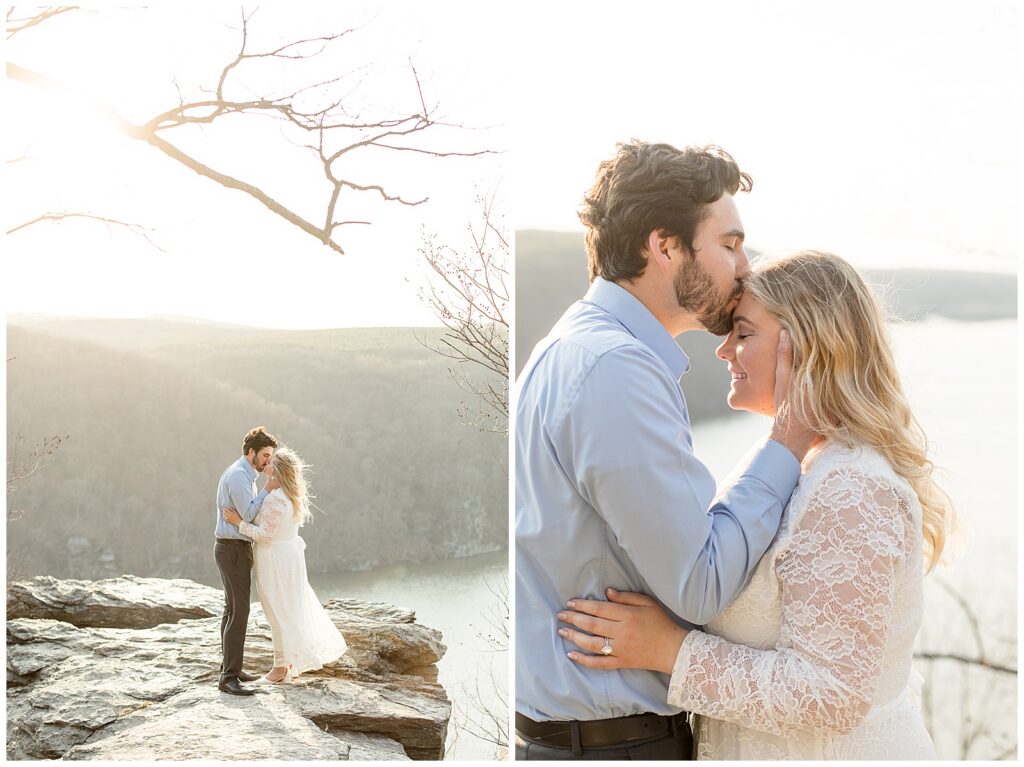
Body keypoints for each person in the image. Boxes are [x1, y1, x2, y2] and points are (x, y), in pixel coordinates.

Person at [558, 251, 952, 759]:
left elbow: (834, 693)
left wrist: (669, 650)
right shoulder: (795, 461)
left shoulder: (853, 486)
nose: (723, 351)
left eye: (743, 334)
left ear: (807, 347)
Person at [514, 141, 819, 759]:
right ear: (664, 246)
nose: (744, 266)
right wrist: (787, 441)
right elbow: (700, 583)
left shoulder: (573, 347)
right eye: (729, 244)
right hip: (615, 745)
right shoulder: (615, 369)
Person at [222, 446, 347, 684]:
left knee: (277, 611)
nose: (265, 464)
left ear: (276, 472)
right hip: (289, 557)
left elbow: (265, 536)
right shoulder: (290, 496)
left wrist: (238, 522)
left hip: (275, 560)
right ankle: (289, 661)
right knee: (288, 608)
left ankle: (280, 668)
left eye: (270, 462)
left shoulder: (275, 499)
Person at [214, 425, 279, 696]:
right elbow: (250, 515)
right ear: (251, 451)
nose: (268, 460)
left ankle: (232, 669)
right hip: (233, 549)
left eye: (270, 456)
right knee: (239, 612)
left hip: (233, 547)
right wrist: (268, 489)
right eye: (265, 454)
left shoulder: (245, 474)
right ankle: (229, 678)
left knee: (232, 611)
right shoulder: (240, 476)